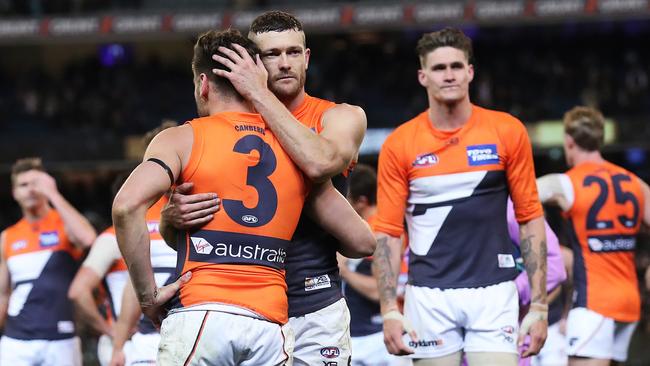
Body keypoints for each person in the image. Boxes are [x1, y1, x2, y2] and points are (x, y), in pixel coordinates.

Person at [112, 29, 373, 365]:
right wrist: (169, 218)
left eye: (292, 53)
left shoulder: (182, 139)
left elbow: (125, 205)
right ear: (253, 71)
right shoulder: (293, 151)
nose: (283, 64)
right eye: (272, 55)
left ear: (203, 84)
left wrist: (148, 297)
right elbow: (362, 242)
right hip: (269, 320)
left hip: (205, 308)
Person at [372, 27, 548, 366]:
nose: (449, 75)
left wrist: (539, 306)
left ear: (470, 71)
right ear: (423, 76)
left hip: (494, 291)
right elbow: (388, 234)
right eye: (439, 68)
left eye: (456, 66)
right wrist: (389, 309)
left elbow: (530, 219)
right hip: (428, 295)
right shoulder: (400, 144)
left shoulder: (507, 131)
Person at [536, 106, 650, 365]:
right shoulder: (634, 183)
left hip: (594, 303)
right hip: (629, 302)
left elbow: (521, 195)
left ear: (569, 141)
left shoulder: (567, 183)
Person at [68, 122, 178, 366]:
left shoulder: (180, 209)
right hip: (151, 340)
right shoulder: (130, 222)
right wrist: (115, 339)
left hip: (159, 339)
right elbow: (82, 290)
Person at [0, 157, 96, 365]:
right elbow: (3, 294)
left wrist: (53, 194)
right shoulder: (8, 236)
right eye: (23, 185)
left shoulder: (64, 224)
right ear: (14, 193)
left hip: (61, 340)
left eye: (37, 183)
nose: (31, 190)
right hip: (16, 341)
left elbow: (88, 239)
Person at [338, 164, 403, 366]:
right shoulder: (361, 229)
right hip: (358, 335)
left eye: (345, 198)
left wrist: (343, 271)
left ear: (361, 202)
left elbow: (379, 291)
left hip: (379, 338)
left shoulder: (380, 232)